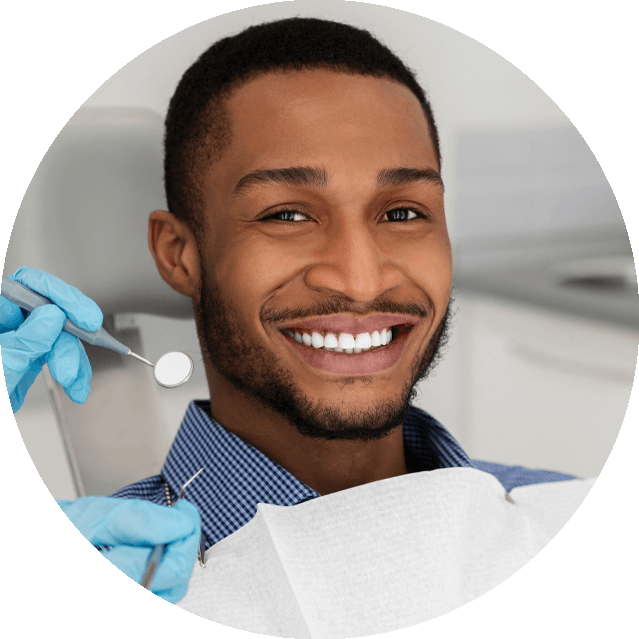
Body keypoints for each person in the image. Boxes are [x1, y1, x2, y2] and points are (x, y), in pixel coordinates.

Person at [1, 17, 577, 605]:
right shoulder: (118, 552)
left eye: (403, 212)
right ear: (180, 255)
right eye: (286, 215)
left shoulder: (554, 509)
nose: (360, 280)